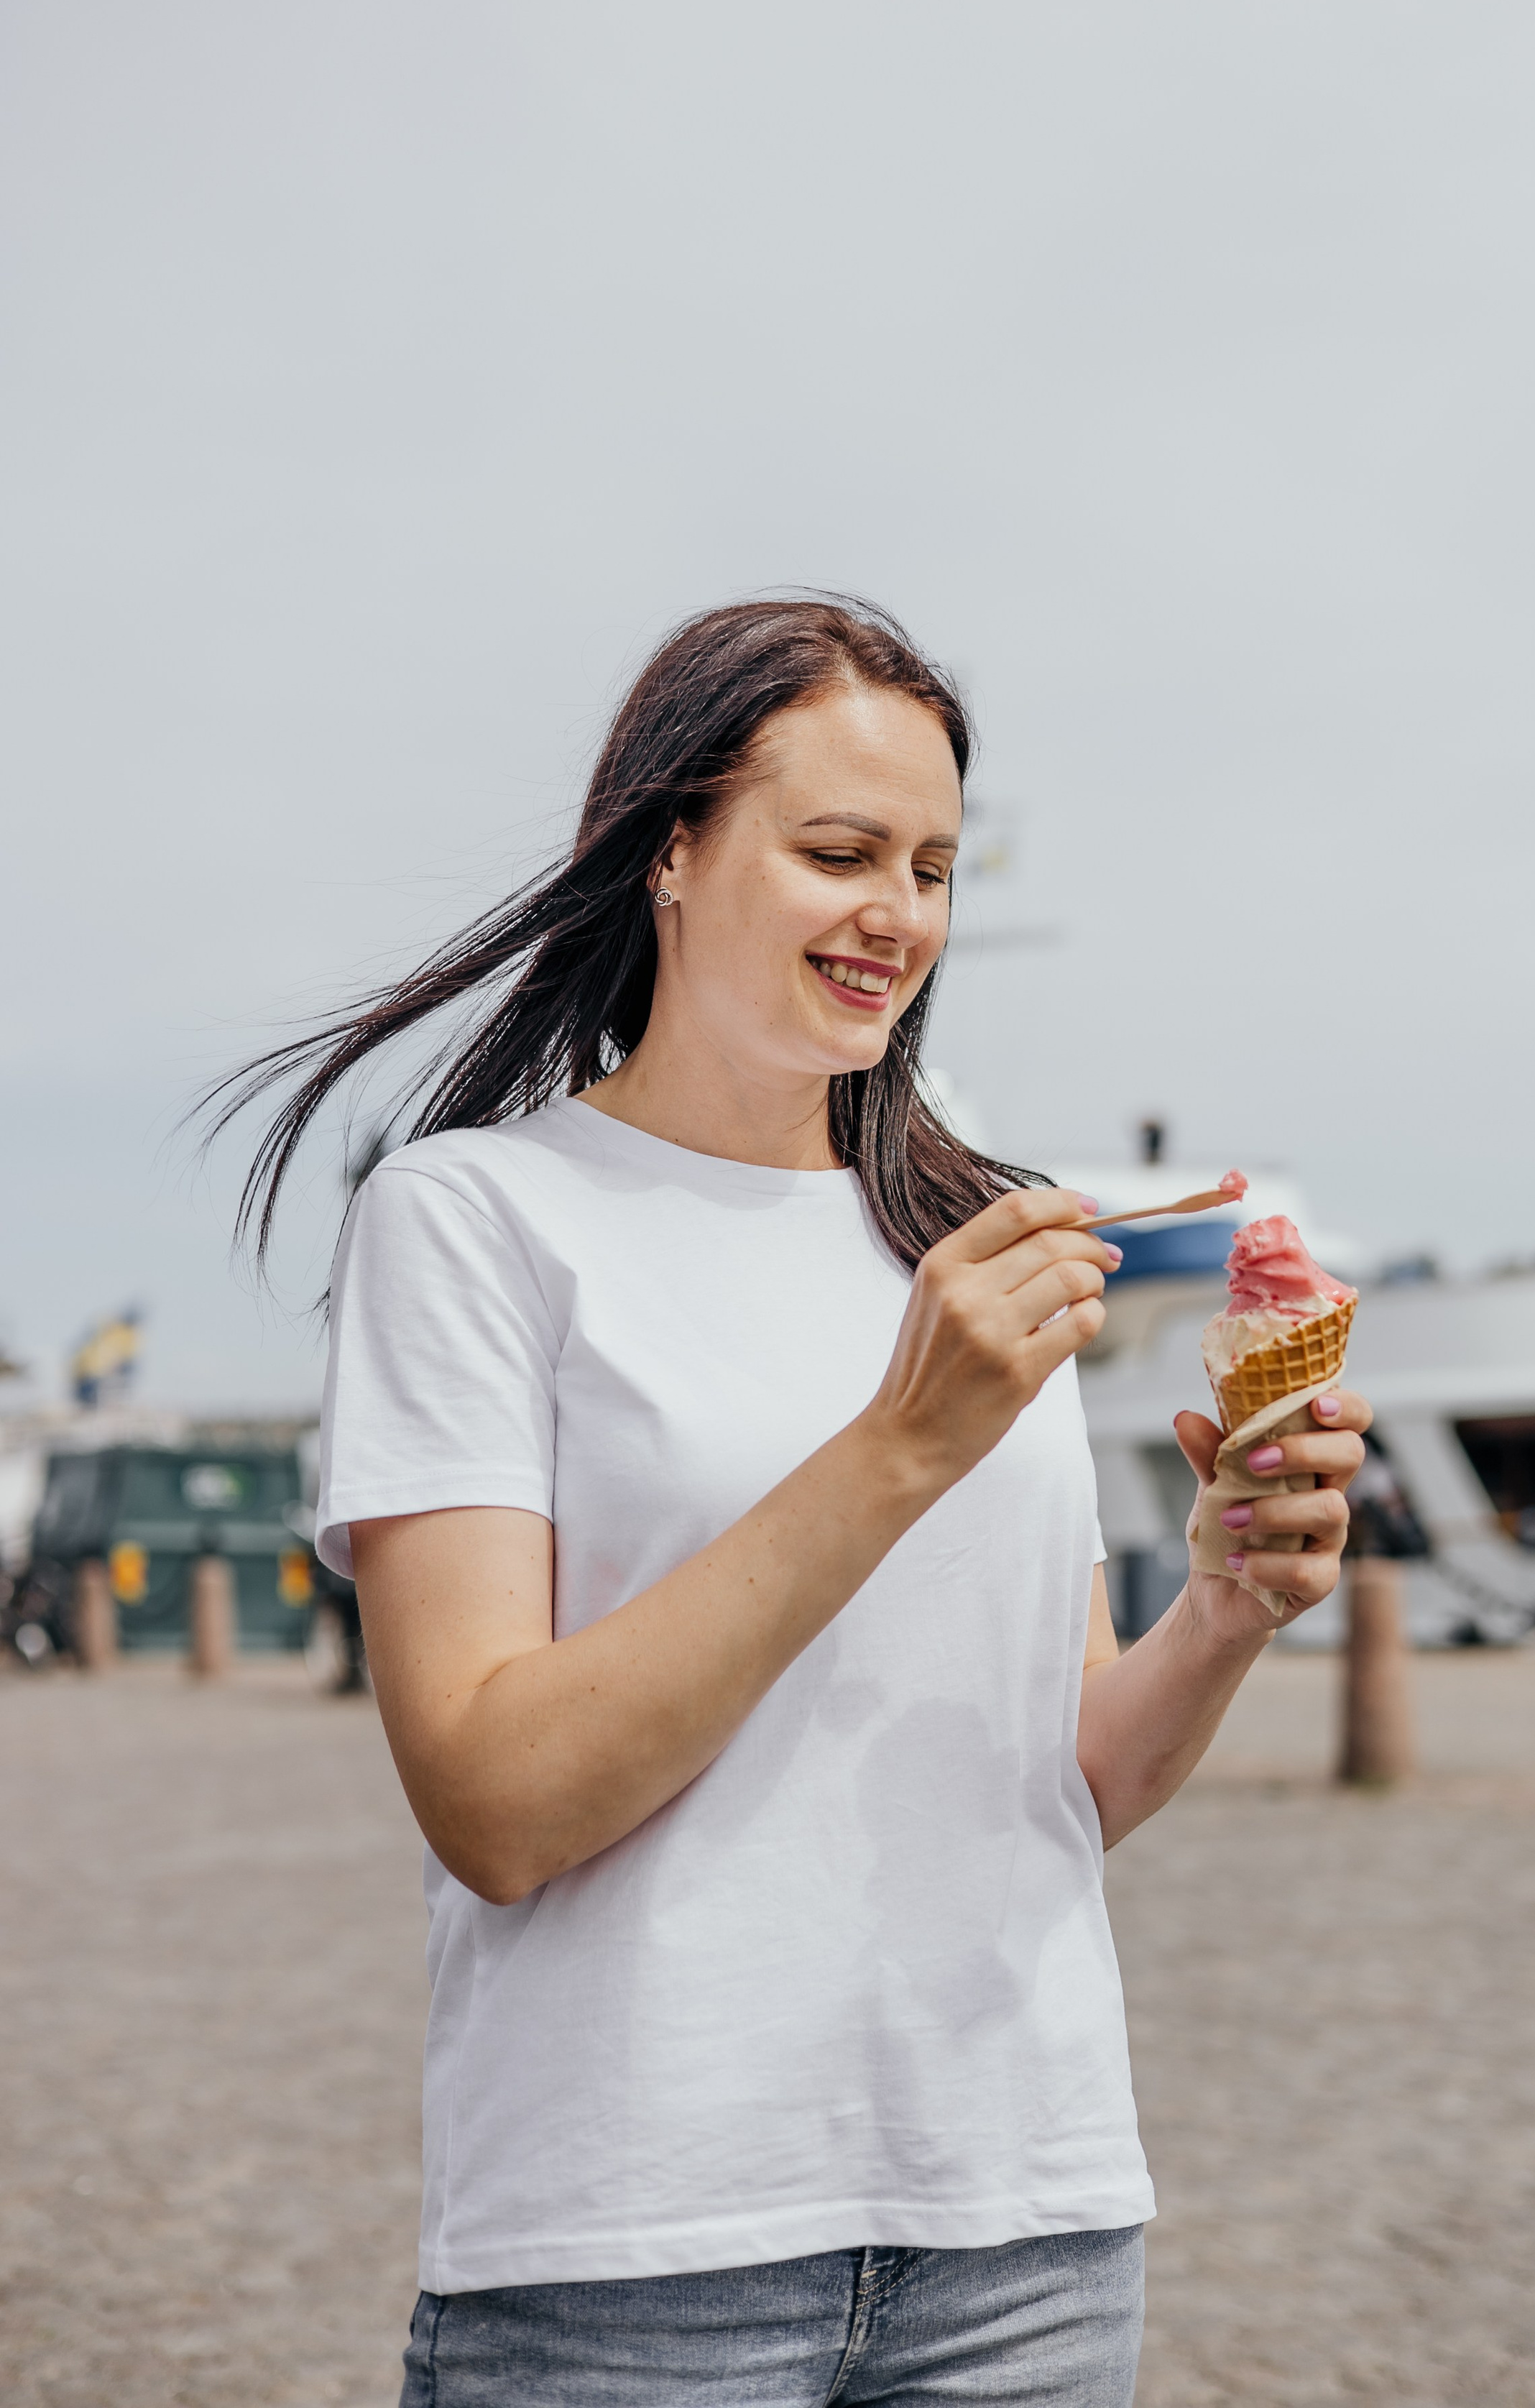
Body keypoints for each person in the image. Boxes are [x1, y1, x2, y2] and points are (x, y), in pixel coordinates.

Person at [221, 596, 1367, 2407]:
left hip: (1027, 2234)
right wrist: (900, 1443)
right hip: (630, 2264)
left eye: (930, 866)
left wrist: (1222, 1608)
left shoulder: (969, 1228)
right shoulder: (472, 1221)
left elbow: (1064, 1784)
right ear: (668, 850)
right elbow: (497, 1802)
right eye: (837, 852)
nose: (896, 915)